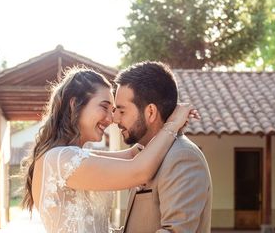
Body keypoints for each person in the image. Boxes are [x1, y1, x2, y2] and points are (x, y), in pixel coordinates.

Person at [22, 66, 198, 233]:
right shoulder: (61, 159)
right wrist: (172, 125)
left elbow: (131, 155)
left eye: (113, 110)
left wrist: (160, 119)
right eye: (104, 107)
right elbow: (138, 171)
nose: (111, 118)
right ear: (75, 104)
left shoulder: (70, 156)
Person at [114, 61, 212, 233]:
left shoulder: (183, 157)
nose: (115, 119)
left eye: (122, 111)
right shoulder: (144, 155)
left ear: (150, 112)